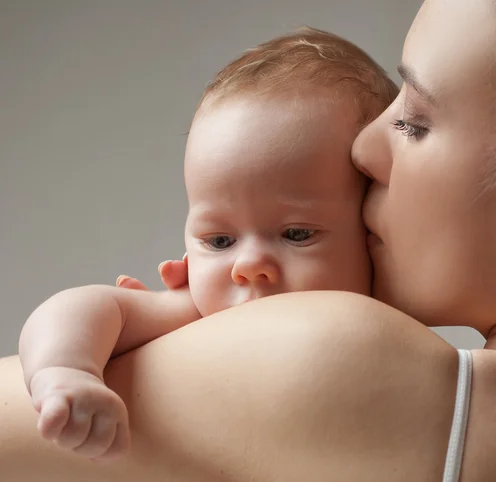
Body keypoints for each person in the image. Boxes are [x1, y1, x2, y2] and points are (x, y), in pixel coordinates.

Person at [2, 0, 496, 480]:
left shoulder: (342, 360)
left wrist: (80, 367)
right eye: (217, 239)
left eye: (415, 123)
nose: (363, 150)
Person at [17, 27, 398, 460]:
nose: (249, 265)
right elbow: (78, 308)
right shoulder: (202, 316)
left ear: (374, 232)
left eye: (296, 234)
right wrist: (66, 373)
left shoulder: (400, 335)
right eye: (220, 241)